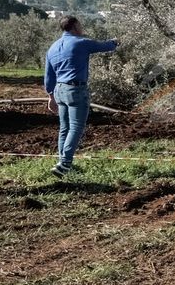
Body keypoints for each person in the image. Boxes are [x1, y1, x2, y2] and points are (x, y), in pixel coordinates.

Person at [43, 16, 119, 177]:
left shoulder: (53, 47)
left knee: (64, 128)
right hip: (75, 90)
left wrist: (51, 96)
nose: (82, 27)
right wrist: (115, 42)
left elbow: (48, 76)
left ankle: (62, 162)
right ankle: (65, 164)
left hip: (59, 91)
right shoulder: (81, 42)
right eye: (80, 24)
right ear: (75, 26)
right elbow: (104, 46)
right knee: (76, 127)